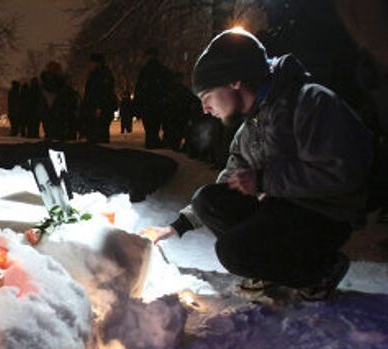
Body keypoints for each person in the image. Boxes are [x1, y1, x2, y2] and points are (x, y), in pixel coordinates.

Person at [140, 29, 373, 300]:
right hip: (282, 208)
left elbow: (343, 172)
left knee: (233, 252)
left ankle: (322, 270)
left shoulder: (310, 101)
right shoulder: (249, 128)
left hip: (325, 216)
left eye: (207, 96)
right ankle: (270, 266)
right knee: (208, 200)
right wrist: (175, 227)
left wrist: (263, 180)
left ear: (234, 82)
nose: (205, 108)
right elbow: (227, 183)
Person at [133, 48, 172, 149]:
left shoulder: (146, 71)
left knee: (150, 128)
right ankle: (156, 143)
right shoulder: (164, 70)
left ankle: (152, 144)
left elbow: (140, 89)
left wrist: (138, 105)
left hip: (148, 104)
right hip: (160, 103)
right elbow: (170, 87)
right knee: (157, 126)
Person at [82, 53, 117, 143]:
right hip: (98, 109)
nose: (89, 65)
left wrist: (99, 107)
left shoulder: (100, 75)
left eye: (91, 63)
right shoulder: (98, 74)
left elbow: (102, 92)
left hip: (99, 110)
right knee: (98, 135)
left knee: (98, 135)